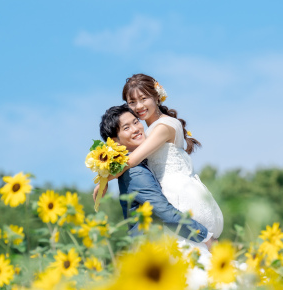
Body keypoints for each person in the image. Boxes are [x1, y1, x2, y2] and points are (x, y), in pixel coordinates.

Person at [94, 74, 223, 260]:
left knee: (188, 256)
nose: (138, 107)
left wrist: (104, 179)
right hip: (175, 196)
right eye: (132, 102)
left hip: (179, 197)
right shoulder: (149, 130)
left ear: (156, 96)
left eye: (143, 98)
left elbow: (132, 161)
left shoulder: (162, 127)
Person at [97, 104, 210, 245]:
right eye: (126, 128)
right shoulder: (134, 172)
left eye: (136, 122)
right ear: (115, 142)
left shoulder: (142, 163)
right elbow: (166, 213)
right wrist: (206, 238)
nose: (136, 129)